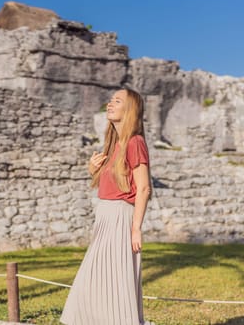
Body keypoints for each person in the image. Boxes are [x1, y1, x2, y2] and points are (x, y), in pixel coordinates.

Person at [60, 88, 151, 325]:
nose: (110, 104)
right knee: (95, 281)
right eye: (110, 100)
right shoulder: (113, 146)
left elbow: (143, 188)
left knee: (114, 282)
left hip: (121, 217)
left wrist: (136, 228)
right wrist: (93, 170)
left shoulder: (135, 142)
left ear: (129, 109)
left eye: (117, 101)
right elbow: (109, 183)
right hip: (105, 216)